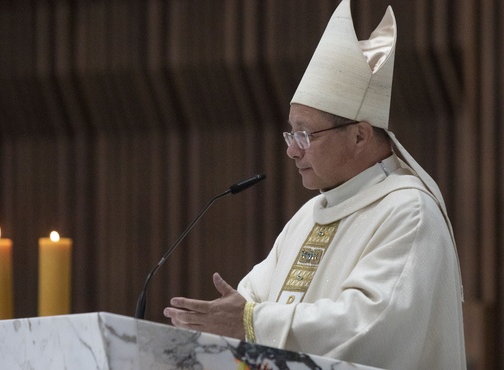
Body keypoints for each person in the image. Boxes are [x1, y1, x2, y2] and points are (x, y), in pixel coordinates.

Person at [163, 1, 467, 369]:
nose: (291, 150)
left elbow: (369, 326)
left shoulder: (409, 211)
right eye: (291, 133)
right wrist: (210, 326)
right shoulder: (309, 217)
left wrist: (251, 323)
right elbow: (246, 304)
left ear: (359, 136)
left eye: (306, 135)